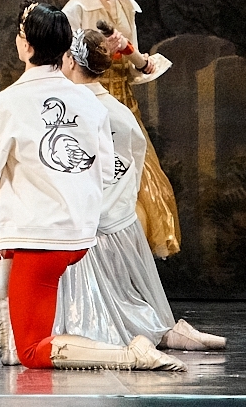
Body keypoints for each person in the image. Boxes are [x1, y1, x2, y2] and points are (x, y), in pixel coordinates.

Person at [0, 1, 181, 371]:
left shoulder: (4, 104)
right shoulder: (91, 101)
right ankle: (10, 329)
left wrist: (6, 215)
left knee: (32, 351)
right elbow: (105, 171)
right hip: (80, 235)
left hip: (41, 240)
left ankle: (127, 355)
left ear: (26, 45)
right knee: (0, 238)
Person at [54, 22, 224, 351]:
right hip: (119, 225)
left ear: (71, 61)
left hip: (79, 229)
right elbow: (133, 166)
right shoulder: (121, 114)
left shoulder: (65, 113)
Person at [62, 0, 179, 258]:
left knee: (137, 180)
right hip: (89, 105)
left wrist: (128, 51)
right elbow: (68, 69)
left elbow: (139, 65)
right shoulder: (75, 10)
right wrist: (100, 54)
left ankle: (129, 261)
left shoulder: (125, 5)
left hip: (123, 104)